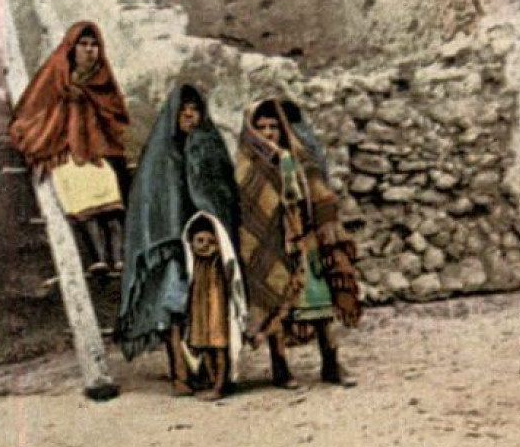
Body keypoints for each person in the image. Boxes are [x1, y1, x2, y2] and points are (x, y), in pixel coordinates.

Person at [117, 85, 241, 389]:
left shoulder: (209, 148)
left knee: (211, 307)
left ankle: (211, 371)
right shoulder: (161, 157)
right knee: (173, 309)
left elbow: (223, 193)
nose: (189, 116)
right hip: (172, 246)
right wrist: (170, 236)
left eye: (195, 111)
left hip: (206, 245)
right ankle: (179, 373)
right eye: (183, 111)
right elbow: (151, 204)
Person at [234, 98, 360, 389]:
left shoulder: (299, 158)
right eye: (261, 127)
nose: (268, 133)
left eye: (274, 127)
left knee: (321, 301)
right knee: (276, 302)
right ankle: (281, 370)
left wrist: (323, 229)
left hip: (307, 242)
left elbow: (318, 192)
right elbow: (248, 214)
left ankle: (331, 363)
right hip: (269, 246)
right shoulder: (246, 168)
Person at [8, 21, 130, 274]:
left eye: (94, 45)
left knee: (112, 206)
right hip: (66, 151)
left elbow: (116, 112)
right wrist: (56, 127)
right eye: (83, 44)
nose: (89, 50)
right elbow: (32, 112)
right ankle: (98, 258)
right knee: (84, 206)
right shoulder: (54, 75)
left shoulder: (102, 79)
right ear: (72, 49)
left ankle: (118, 258)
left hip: (96, 151)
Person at [179, 213, 248, 401]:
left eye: (211, 241)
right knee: (204, 348)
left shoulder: (219, 264)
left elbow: (233, 280)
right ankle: (211, 381)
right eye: (199, 240)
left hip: (217, 312)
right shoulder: (193, 266)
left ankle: (219, 386)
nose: (205, 245)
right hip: (200, 312)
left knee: (218, 349)